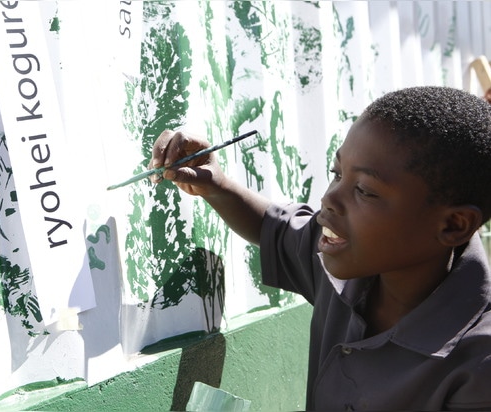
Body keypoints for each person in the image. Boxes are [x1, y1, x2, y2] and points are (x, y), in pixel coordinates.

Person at [148, 86, 491, 411]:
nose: (329, 198)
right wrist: (217, 184)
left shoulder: (478, 362)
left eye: (365, 191)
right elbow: (274, 227)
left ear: (453, 225)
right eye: (336, 173)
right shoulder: (346, 263)